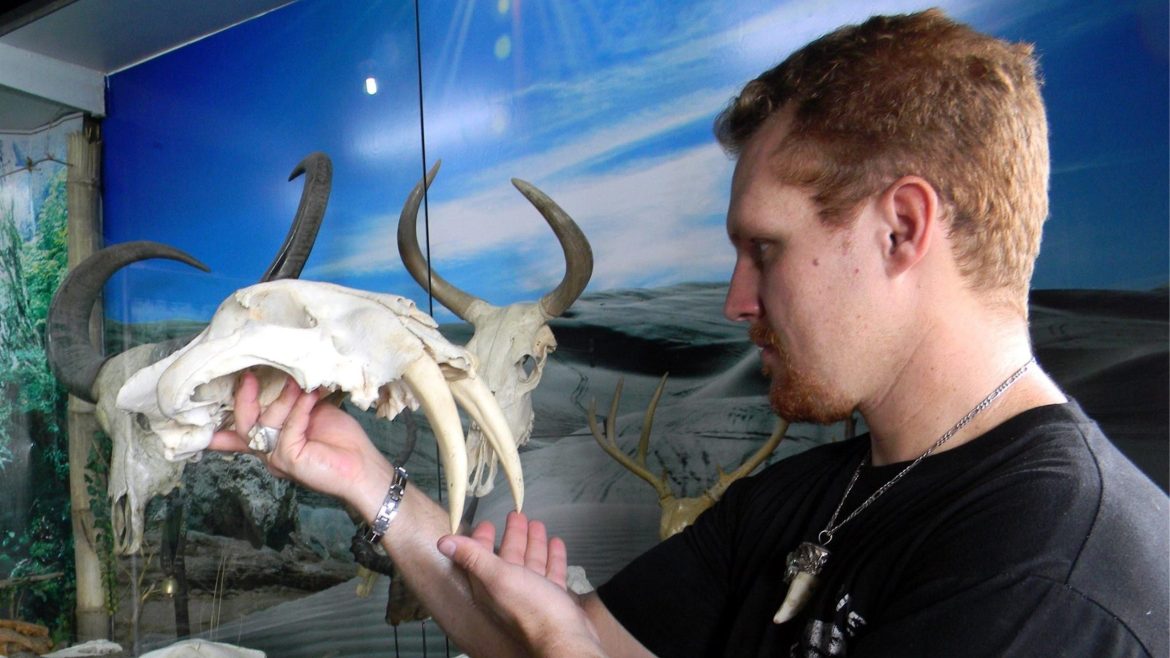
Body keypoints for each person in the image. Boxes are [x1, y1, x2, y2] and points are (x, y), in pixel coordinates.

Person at [211, 9, 1169, 657]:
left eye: (766, 249)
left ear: (902, 228)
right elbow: (556, 636)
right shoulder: (806, 497)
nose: (736, 301)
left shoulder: (1055, 579)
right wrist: (365, 478)